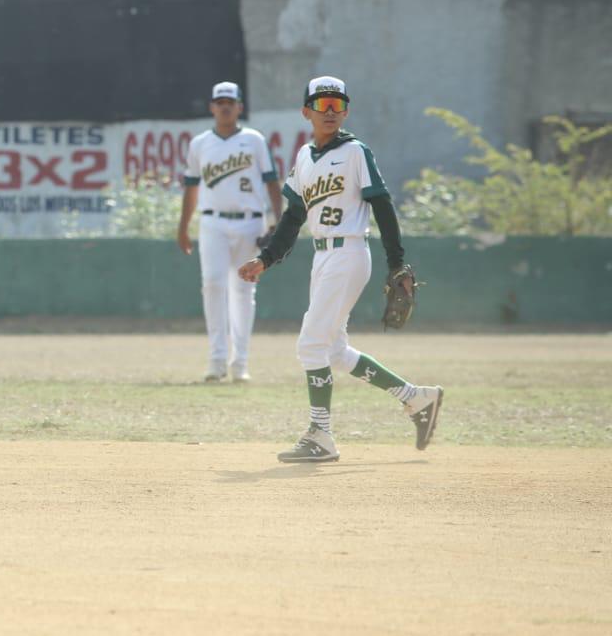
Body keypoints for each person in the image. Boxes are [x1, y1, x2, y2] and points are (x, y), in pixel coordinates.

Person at [237, 76, 443, 464]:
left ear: (346, 111)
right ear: (306, 112)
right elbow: (293, 216)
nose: (329, 112)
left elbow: (382, 205)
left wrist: (396, 260)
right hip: (322, 256)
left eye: (337, 104)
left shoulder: (355, 152)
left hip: (349, 251)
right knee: (333, 350)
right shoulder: (303, 157)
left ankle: (321, 435)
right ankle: (416, 398)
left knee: (310, 344)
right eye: (321, 104)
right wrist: (265, 258)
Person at [176, 81, 283, 382]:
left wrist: (279, 222)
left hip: (251, 221)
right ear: (212, 107)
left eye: (230, 102)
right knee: (212, 284)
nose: (224, 106)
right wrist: (183, 227)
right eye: (219, 101)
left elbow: (271, 182)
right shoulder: (200, 143)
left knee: (244, 289)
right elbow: (191, 187)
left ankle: (241, 362)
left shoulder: (254, 139)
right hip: (212, 221)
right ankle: (217, 359)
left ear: (239, 107)